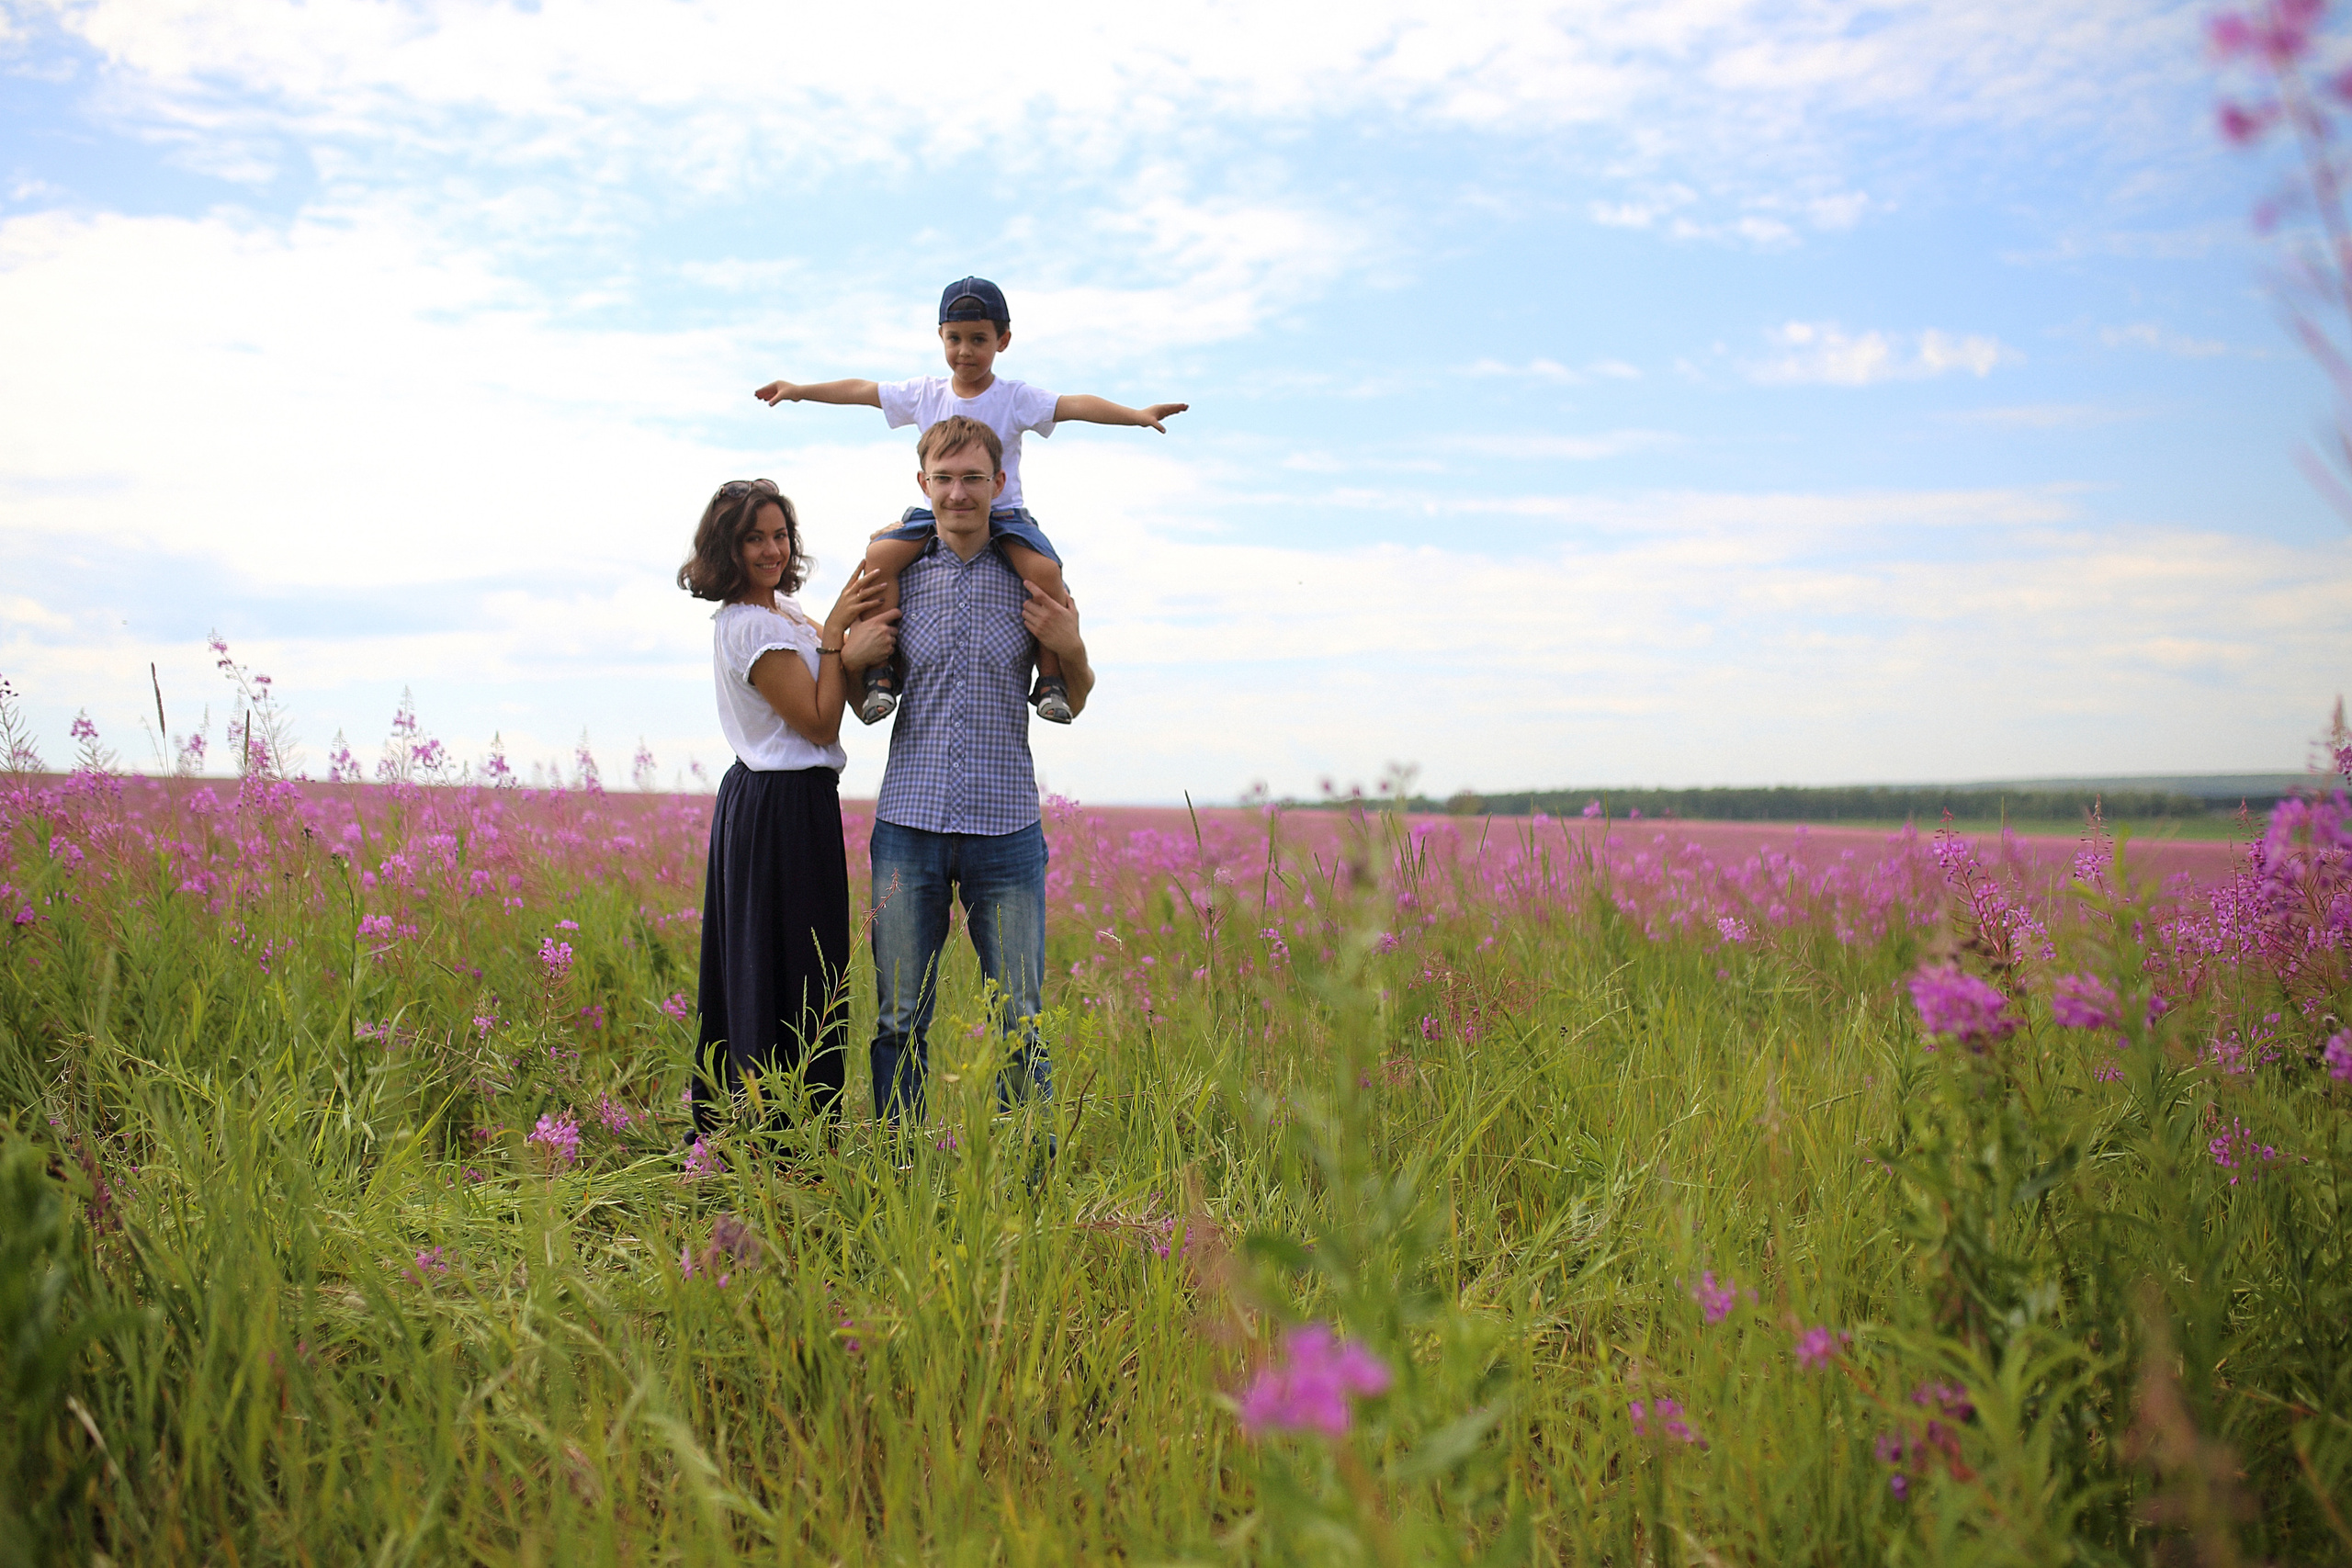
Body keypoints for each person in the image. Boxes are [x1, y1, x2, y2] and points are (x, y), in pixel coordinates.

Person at [752, 275, 1182, 727]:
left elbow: (1074, 405)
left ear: (1003, 340)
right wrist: (800, 390)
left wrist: (1136, 416)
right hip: (937, 516)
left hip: (1005, 516)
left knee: (1045, 571)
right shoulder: (925, 393)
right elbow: (861, 391)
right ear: (940, 336)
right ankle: (881, 672)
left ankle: (1051, 678)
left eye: (979, 340)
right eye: (954, 339)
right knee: (880, 554)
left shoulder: (1014, 397)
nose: (965, 351)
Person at [865, 414, 1093, 1120]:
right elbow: (858, 689)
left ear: (999, 483)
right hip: (909, 824)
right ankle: (897, 1166)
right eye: (945, 479)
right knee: (900, 1018)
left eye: (972, 479)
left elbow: (1074, 699)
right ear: (923, 485)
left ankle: (1032, 1171)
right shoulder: (899, 576)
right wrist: (849, 656)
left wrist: (1071, 648)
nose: (958, 493)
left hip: (1007, 830)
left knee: (1021, 1018)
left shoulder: (1030, 577)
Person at [675, 478, 897, 1149]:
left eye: (780, 534)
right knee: (781, 970)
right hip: (775, 808)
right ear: (728, 548)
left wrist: (844, 643)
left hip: (798, 805)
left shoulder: (787, 614)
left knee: (809, 969)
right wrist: (837, 639)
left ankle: (800, 1136)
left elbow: (845, 696)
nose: (772, 549)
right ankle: (770, 1139)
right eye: (754, 538)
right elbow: (819, 720)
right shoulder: (748, 627)